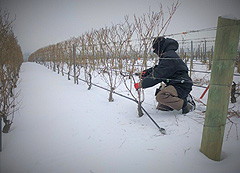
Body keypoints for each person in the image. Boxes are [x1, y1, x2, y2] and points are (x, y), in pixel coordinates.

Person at [134, 37, 195, 114]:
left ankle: (187, 104)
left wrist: (141, 84)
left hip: (181, 85)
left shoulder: (169, 57)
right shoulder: (168, 54)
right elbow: (159, 68)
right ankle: (177, 101)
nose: (155, 52)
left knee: (161, 97)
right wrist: (146, 73)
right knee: (161, 106)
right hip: (176, 83)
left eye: (155, 50)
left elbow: (158, 75)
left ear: (159, 48)